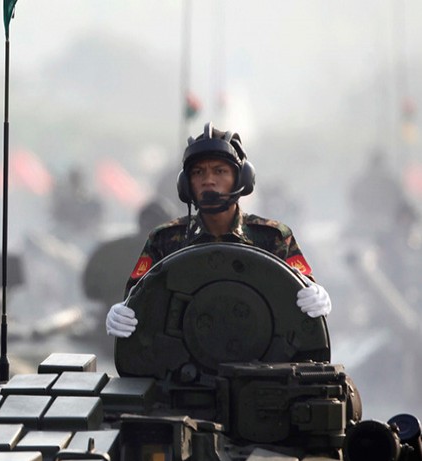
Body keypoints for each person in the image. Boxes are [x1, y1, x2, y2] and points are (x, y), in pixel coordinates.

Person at [106, 122, 331, 338]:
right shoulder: (164, 239)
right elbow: (137, 300)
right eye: (198, 173)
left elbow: (304, 294)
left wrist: (316, 296)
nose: (208, 180)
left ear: (241, 179)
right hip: (182, 363)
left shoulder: (273, 237)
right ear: (186, 184)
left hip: (263, 364)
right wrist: (122, 312)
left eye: (220, 171)